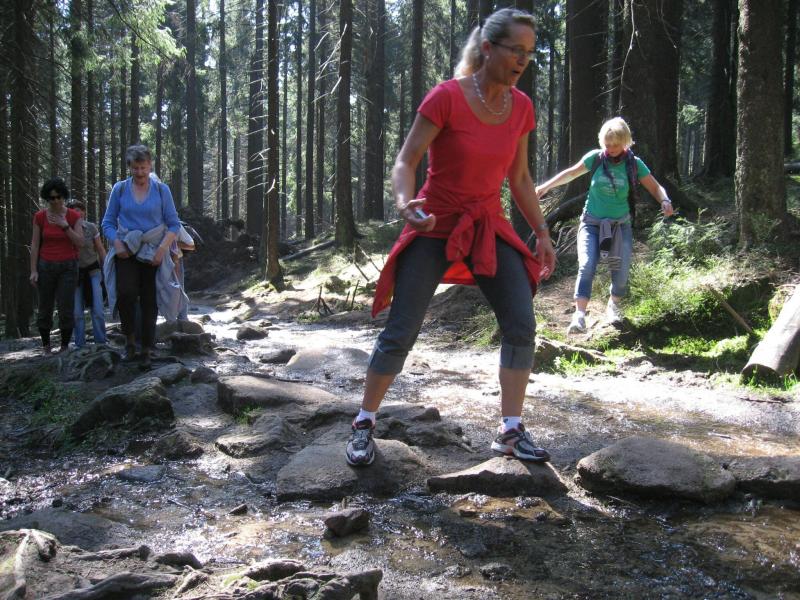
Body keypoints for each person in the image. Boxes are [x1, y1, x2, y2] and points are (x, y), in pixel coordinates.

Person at [345, 8, 556, 467]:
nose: (523, 60)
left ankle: (510, 430)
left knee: (521, 323)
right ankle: (363, 422)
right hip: (434, 224)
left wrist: (541, 232)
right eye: (515, 50)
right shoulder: (446, 97)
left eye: (529, 52)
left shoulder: (521, 107)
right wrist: (405, 203)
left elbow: (520, 179)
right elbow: (406, 161)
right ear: (488, 48)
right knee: (402, 330)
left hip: (487, 225)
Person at [535, 117, 674, 334]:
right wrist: (546, 186)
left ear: (625, 142)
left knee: (620, 270)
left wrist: (664, 200)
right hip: (591, 223)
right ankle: (579, 315)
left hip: (620, 225)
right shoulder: (596, 159)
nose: (611, 148)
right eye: (607, 144)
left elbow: (655, 187)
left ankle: (613, 306)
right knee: (587, 264)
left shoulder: (634, 164)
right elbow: (571, 173)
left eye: (615, 144)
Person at [101, 145, 184, 370]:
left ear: (150, 166)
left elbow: (173, 224)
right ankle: (129, 342)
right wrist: (117, 243)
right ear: (129, 167)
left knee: (149, 299)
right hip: (127, 248)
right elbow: (107, 222)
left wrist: (162, 250)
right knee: (126, 293)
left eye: (144, 168)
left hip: (153, 250)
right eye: (135, 168)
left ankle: (147, 348)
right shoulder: (119, 189)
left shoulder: (161, 190)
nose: (140, 172)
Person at [29, 178, 85, 355]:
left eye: (58, 197)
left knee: (66, 307)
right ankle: (46, 346)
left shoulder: (73, 216)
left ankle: (64, 346)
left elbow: (80, 242)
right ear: (47, 198)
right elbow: (35, 244)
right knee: (45, 308)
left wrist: (65, 226)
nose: (55, 201)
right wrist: (33, 270)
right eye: (51, 198)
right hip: (45, 266)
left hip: (68, 267)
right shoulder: (40, 217)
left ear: (63, 196)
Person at [66, 200, 108, 347]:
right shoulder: (66, 230)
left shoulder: (91, 228)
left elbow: (100, 249)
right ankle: (79, 344)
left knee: (98, 309)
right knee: (77, 313)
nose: (78, 213)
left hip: (93, 271)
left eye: (80, 210)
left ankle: (101, 342)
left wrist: (107, 268)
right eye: (74, 210)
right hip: (74, 274)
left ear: (84, 212)